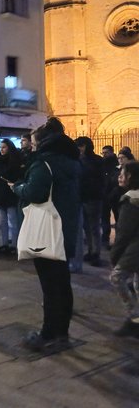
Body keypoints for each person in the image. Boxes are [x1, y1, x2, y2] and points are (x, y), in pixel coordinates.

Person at [13, 117, 81, 351]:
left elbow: (34, 192)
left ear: (42, 142)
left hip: (46, 231)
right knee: (62, 283)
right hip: (65, 227)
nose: (31, 146)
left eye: (33, 142)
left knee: (50, 286)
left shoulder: (44, 163)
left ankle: (49, 333)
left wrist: (18, 187)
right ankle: (62, 332)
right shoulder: (71, 161)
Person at [109, 160, 139, 337]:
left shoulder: (130, 200)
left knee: (117, 277)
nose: (120, 175)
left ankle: (134, 317)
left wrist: (115, 255)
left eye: (124, 172)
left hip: (134, 249)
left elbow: (123, 233)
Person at [75, 136, 104, 267]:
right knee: (86, 226)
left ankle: (96, 252)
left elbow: (101, 179)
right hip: (84, 196)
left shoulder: (96, 160)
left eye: (80, 146)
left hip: (93, 197)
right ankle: (91, 250)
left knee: (94, 226)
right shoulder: (79, 160)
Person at [0, 139, 23, 253]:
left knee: (12, 221)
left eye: (4, 147)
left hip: (10, 193)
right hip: (0, 193)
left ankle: (14, 245)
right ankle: (5, 243)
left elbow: (6, 173)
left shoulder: (14, 161)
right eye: (1, 147)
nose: (2, 150)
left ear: (9, 147)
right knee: (2, 221)